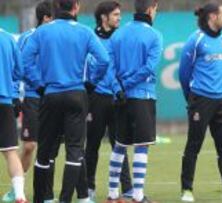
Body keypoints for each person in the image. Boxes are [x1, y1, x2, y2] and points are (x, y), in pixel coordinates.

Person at [22, 0, 110, 202]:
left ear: (55, 7)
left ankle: (40, 198)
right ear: (76, 7)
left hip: (50, 94)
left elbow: (24, 60)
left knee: (44, 151)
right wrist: (91, 83)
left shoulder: (42, 32)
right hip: (77, 95)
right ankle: (65, 199)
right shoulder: (85, 31)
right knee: (74, 150)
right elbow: (104, 60)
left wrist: (38, 84)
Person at [178, 2, 222, 202]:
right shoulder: (195, 40)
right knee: (193, 145)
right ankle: (187, 190)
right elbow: (183, 73)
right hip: (200, 100)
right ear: (212, 17)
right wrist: (191, 98)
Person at [105, 0, 163, 202]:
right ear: (150, 9)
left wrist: (117, 88)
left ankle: (112, 194)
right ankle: (138, 195)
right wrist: (127, 84)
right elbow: (148, 68)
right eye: (156, 9)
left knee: (119, 145)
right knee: (141, 145)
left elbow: (108, 66)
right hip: (142, 96)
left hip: (121, 98)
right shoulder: (155, 36)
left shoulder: (117, 34)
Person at [2, 2, 53, 202]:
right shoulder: (25, 38)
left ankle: (46, 194)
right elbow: (19, 70)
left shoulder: (58, 37)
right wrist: (16, 95)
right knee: (29, 146)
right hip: (32, 98)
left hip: (54, 98)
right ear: (46, 18)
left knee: (51, 147)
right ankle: (17, 190)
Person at [85, 1, 133, 201]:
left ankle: (127, 187)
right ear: (104, 17)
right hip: (95, 98)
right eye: (115, 14)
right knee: (92, 145)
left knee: (119, 145)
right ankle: (89, 188)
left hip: (117, 99)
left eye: (119, 14)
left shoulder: (121, 39)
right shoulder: (89, 38)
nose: (119, 18)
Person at [0, 28, 28, 203]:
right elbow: (19, 70)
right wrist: (14, 91)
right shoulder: (8, 38)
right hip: (4, 101)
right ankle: (20, 195)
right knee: (10, 151)